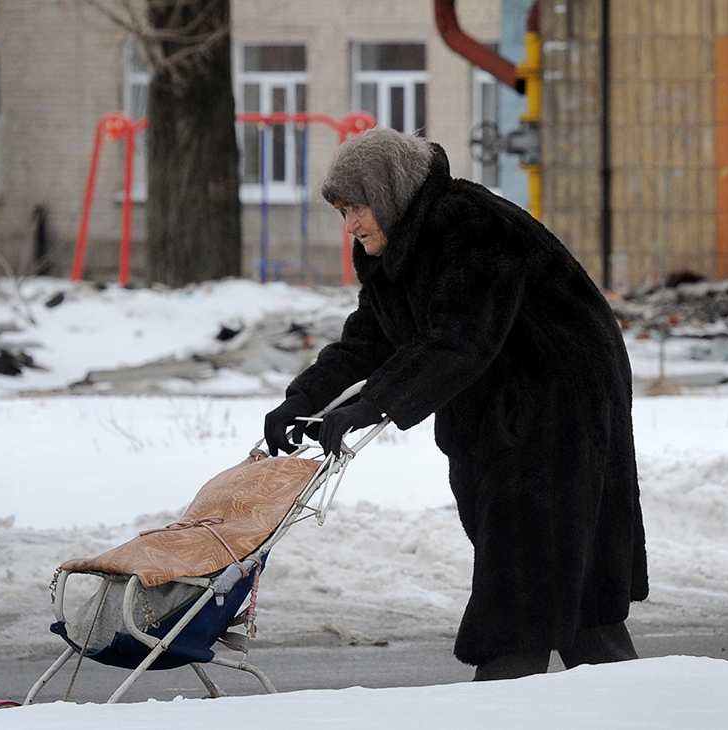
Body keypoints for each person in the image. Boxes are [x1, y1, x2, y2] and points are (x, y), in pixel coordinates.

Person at [264, 128, 648, 681]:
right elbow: (371, 335)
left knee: (523, 573)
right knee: (564, 575)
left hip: (559, 404)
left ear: (390, 193)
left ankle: (504, 702)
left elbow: (458, 338)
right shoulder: (396, 241)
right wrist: (303, 397)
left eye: (356, 208)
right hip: (499, 409)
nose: (349, 225)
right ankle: (634, 700)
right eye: (341, 211)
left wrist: (369, 405)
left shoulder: (471, 227)